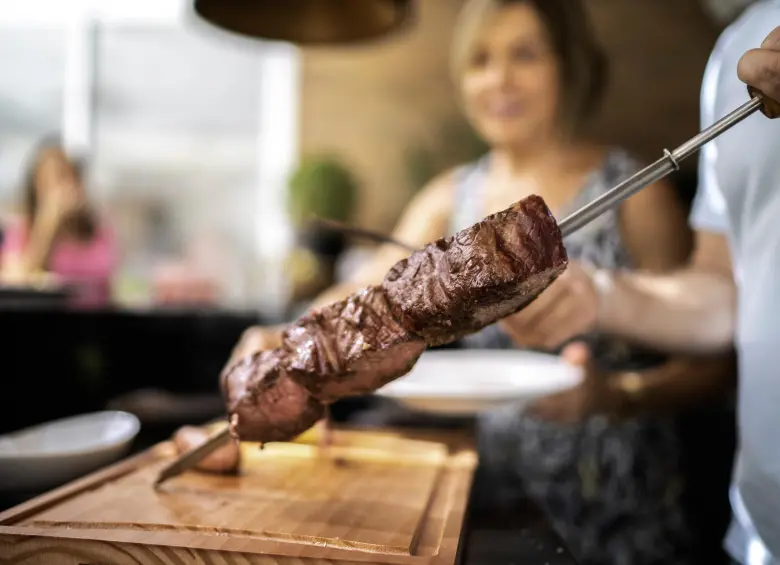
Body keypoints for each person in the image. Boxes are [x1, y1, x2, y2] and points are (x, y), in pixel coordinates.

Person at [221, 1, 735, 564]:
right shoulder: (449, 198)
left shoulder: (633, 193)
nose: (499, 80)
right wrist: (286, 336)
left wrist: (615, 395)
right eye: (481, 60)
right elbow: (365, 296)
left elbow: (712, 365)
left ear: (570, 65)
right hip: (483, 507)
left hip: (621, 515)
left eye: (525, 54)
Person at [498, 3, 780, 564]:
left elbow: (706, 376)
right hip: (760, 535)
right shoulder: (735, 51)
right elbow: (727, 294)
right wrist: (600, 295)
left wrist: (617, 396)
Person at [0, 137, 117, 308]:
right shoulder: (22, 229)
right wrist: (47, 225)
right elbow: (17, 282)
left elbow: (105, 282)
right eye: (48, 181)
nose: (58, 190)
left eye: (63, 177)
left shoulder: (98, 230)